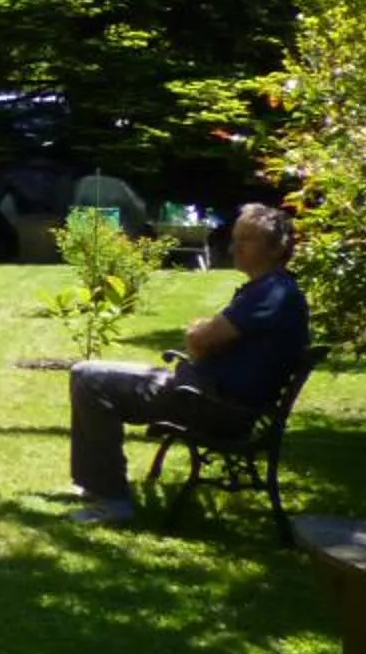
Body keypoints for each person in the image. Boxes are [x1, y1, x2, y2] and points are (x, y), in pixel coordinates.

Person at [66, 202, 308, 526]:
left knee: (89, 380)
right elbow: (206, 341)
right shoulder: (271, 290)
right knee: (85, 372)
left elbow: (203, 339)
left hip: (213, 406)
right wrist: (202, 341)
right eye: (235, 238)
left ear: (275, 248)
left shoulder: (271, 293)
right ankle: (97, 484)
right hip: (210, 395)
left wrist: (200, 338)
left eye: (245, 240)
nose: (234, 246)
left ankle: (111, 500)